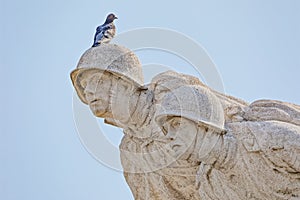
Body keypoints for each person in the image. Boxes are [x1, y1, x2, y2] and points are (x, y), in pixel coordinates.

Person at [155, 85, 300, 200]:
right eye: (166, 130)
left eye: (176, 124)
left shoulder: (268, 139)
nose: (169, 136)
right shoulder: (209, 186)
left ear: (203, 122)